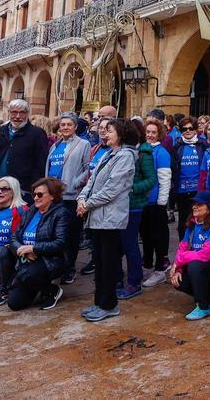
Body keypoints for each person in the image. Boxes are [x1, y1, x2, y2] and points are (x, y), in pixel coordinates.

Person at [77, 117, 137, 322]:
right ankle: (99, 302)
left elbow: (112, 189)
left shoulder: (126, 156)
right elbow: (91, 180)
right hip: (96, 216)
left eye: (109, 130)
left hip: (110, 218)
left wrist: (87, 203)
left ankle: (109, 304)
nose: (105, 133)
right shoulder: (108, 154)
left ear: (121, 133)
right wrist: (81, 198)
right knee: (100, 261)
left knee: (108, 262)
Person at [0, 177, 70, 310]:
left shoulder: (61, 214)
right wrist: (23, 250)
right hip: (26, 259)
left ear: (52, 196)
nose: (36, 198)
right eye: (34, 194)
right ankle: (30, 284)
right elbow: (14, 237)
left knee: (27, 275)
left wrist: (34, 248)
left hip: (49, 260)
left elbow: (60, 243)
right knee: (14, 304)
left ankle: (52, 290)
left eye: (40, 195)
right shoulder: (30, 211)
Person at [0, 99, 50, 200]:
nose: (18, 116)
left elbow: (41, 164)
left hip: (23, 191)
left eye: (22, 112)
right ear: (9, 113)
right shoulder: (0, 132)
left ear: (27, 114)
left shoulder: (37, 134)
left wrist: (36, 188)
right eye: (14, 112)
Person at [115, 120, 157, 300]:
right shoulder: (119, 151)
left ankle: (134, 280)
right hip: (117, 204)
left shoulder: (144, 153)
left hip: (133, 205)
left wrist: (132, 189)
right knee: (117, 244)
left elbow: (151, 179)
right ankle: (117, 278)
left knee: (130, 244)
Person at [171, 190, 210, 320]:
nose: (194, 206)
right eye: (194, 203)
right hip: (199, 267)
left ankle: (203, 306)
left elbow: (205, 255)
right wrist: (178, 269)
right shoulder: (192, 223)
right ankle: (205, 297)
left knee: (194, 265)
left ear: (209, 208)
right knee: (177, 281)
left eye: (199, 204)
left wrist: (178, 261)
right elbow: (182, 248)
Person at [46, 113, 89, 284]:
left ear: (75, 127)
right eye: (62, 124)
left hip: (71, 197)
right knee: (55, 234)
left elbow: (88, 169)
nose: (65, 127)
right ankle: (57, 265)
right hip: (53, 196)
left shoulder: (83, 144)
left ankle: (70, 267)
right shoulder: (54, 146)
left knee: (71, 234)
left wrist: (74, 183)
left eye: (69, 124)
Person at [139, 118, 174, 288]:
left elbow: (165, 179)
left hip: (155, 203)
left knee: (158, 237)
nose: (150, 135)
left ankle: (160, 269)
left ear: (159, 134)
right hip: (142, 202)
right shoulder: (141, 150)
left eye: (154, 132)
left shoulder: (162, 153)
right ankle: (146, 265)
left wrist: (161, 202)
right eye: (148, 132)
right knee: (145, 236)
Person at [171, 116, 207, 241]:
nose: (187, 131)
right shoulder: (177, 146)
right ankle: (183, 247)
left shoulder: (203, 145)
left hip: (198, 191)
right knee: (183, 222)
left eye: (190, 128)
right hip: (181, 191)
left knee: (200, 220)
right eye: (184, 129)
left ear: (195, 129)